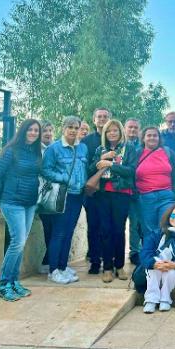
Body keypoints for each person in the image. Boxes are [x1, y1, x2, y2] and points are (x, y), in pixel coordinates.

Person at [0, 119, 42, 300]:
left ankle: (13, 281)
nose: (33, 133)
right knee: (17, 242)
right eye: (30, 130)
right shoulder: (11, 151)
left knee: (21, 242)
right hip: (12, 202)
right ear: (23, 131)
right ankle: (3, 285)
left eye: (36, 130)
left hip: (29, 203)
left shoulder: (36, 152)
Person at [42, 116, 89, 284]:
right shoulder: (54, 148)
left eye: (76, 127)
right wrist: (63, 177)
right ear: (63, 128)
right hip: (63, 195)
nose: (73, 130)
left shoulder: (82, 148)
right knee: (59, 232)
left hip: (78, 196)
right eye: (70, 127)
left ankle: (62, 266)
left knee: (69, 232)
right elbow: (45, 170)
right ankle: (53, 270)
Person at [90, 119, 136, 283]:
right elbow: (90, 170)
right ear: (105, 134)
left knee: (118, 230)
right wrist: (101, 159)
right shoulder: (99, 149)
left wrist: (110, 164)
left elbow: (131, 171)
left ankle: (120, 266)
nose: (112, 133)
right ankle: (107, 268)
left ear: (121, 132)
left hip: (121, 194)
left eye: (115, 130)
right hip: (102, 195)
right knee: (105, 230)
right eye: (109, 131)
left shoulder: (129, 149)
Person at [140, 203, 175, 313]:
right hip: (155, 275)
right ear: (168, 216)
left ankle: (165, 299)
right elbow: (144, 253)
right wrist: (155, 263)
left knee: (170, 271)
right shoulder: (156, 234)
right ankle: (151, 299)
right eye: (173, 215)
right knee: (154, 267)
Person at [135, 126, 175, 239]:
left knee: (166, 227)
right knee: (149, 231)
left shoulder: (167, 152)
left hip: (167, 196)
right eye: (149, 135)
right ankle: (149, 256)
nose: (152, 138)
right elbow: (131, 173)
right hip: (146, 197)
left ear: (159, 138)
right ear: (143, 138)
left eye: (155, 135)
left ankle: (165, 256)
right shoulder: (137, 153)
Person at [82, 107, 112, 274]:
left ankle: (111, 261)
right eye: (99, 117)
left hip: (111, 192)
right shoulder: (86, 141)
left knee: (109, 228)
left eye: (105, 117)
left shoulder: (114, 139)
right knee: (93, 227)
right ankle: (94, 261)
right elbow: (84, 166)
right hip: (93, 192)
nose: (101, 119)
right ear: (94, 120)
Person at [38, 119, 55, 274]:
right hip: (42, 195)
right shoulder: (36, 150)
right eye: (45, 131)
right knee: (49, 228)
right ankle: (49, 261)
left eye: (50, 130)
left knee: (57, 228)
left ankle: (51, 260)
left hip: (56, 194)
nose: (48, 133)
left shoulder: (56, 148)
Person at [125, 117, 142, 264]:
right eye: (130, 127)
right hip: (121, 190)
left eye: (135, 128)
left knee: (135, 223)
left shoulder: (143, 147)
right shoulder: (119, 145)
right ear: (125, 128)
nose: (132, 130)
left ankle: (135, 251)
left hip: (137, 191)